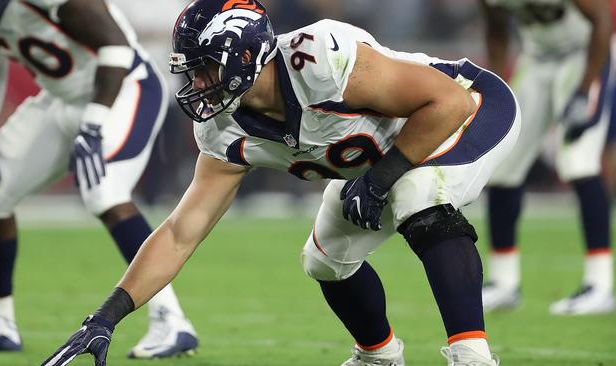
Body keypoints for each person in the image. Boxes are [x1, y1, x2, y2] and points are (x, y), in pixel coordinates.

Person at [41, 0, 521, 365]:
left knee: (418, 195)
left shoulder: (319, 60)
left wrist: (381, 179)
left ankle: (471, 355)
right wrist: (105, 317)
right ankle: (378, 354)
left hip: (469, 112)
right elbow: (179, 232)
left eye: (205, 66)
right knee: (325, 259)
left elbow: (446, 104)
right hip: (379, 160)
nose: (198, 82)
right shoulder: (223, 128)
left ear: (246, 54)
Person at [0, 0, 199, 358]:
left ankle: (171, 319)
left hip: (125, 87)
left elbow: (117, 47)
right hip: (63, 97)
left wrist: (91, 125)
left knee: (104, 191)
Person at [480, 0, 615, 314]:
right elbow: (496, 30)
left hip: (585, 53)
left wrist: (583, 91)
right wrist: (495, 86)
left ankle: (600, 284)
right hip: (537, 59)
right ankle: (503, 282)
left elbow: (602, 23)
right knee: (503, 165)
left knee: (579, 161)